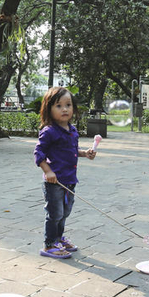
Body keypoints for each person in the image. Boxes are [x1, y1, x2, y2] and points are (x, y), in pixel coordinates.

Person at [34, 86, 96, 258]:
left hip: (69, 180)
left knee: (65, 212)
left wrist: (85, 153)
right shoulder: (49, 131)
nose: (65, 109)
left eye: (68, 105)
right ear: (49, 109)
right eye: (59, 106)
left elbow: (73, 150)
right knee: (55, 213)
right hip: (54, 182)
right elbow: (38, 154)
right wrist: (48, 171)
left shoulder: (72, 130)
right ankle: (49, 245)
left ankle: (59, 238)